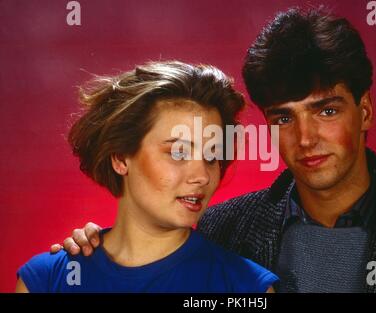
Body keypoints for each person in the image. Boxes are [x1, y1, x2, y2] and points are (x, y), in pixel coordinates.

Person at [51, 8, 376, 292]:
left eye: (326, 110)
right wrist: (92, 259)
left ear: (364, 111)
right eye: (283, 118)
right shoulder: (220, 229)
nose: (306, 138)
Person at [16, 61, 278, 293]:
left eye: (212, 157)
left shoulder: (245, 287)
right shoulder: (46, 280)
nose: (202, 176)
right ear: (120, 158)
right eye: (178, 152)